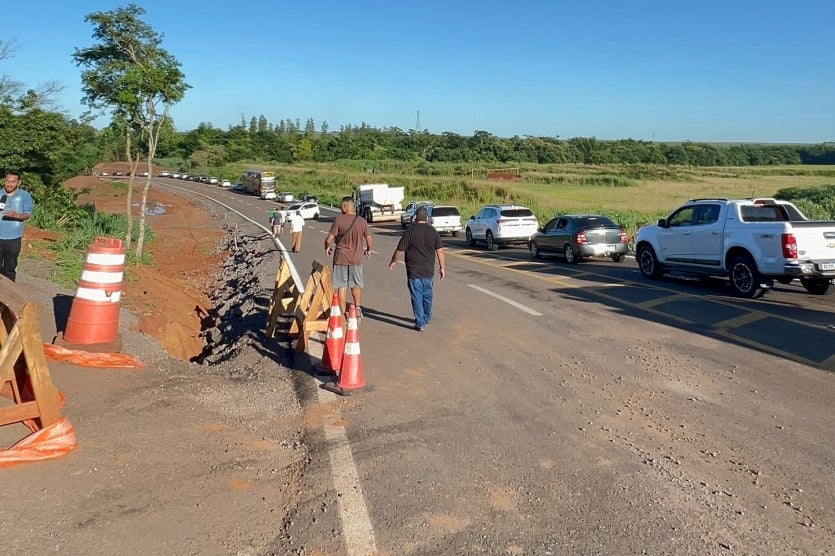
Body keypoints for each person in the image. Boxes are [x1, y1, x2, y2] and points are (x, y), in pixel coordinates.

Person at [388, 206, 445, 331]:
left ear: (415, 217)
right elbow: (440, 251)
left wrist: (393, 261)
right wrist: (442, 267)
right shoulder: (433, 231)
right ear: (427, 218)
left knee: (417, 296)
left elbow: (400, 249)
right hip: (428, 272)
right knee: (427, 296)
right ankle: (426, 317)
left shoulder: (410, 231)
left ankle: (420, 323)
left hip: (414, 271)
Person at [324, 196, 373, 319]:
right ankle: (357, 308)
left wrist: (327, 247)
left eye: (342, 205)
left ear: (346, 206)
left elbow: (329, 239)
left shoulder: (339, 220)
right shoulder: (362, 221)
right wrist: (369, 249)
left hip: (341, 258)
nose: (341, 208)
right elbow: (369, 239)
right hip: (356, 259)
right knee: (355, 285)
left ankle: (342, 313)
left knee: (342, 286)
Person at [0, 170, 34, 282]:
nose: (9, 184)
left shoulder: (24, 196)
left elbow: (28, 214)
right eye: (7, 181)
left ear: (18, 182)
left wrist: (16, 215)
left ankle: (9, 296)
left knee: (9, 267)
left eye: (13, 182)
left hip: (13, 237)